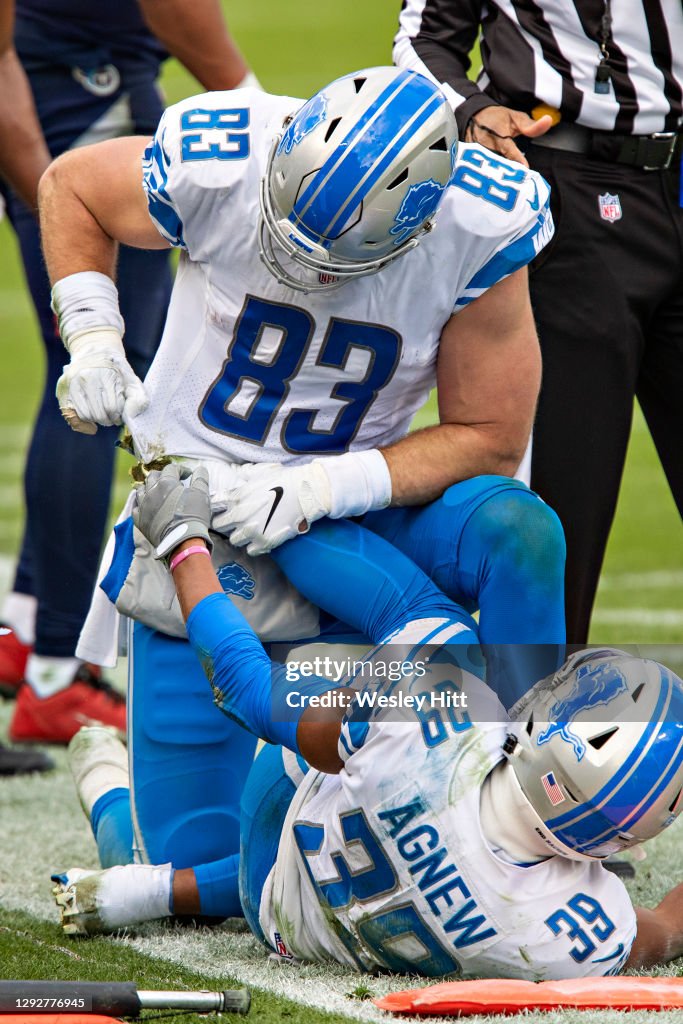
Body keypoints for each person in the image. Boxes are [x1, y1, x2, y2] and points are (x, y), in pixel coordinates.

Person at [37, 65, 565, 888]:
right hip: (200, 512)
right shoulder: (225, 158)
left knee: (516, 527)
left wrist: (322, 488)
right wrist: (93, 335)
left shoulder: (479, 225)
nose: (300, 269)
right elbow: (70, 184)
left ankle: (531, 796)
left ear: (420, 225)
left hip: (357, 517)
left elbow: (491, 438)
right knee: (199, 865)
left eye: (334, 261)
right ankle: (112, 792)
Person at [52, 464, 683, 979]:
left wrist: (183, 546)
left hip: (280, 841)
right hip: (294, 926)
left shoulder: (430, 715)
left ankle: (257, 501)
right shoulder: (586, 934)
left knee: (434, 632)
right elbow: (666, 930)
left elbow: (248, 689)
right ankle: (155, 886)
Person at [0, 0, 259, 745]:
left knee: (94, 368)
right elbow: (171, 7)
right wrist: (254, 106)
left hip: (68, 78)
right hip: (85, 91)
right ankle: (56, 671)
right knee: (100, 372)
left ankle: (25, 627)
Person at [393, 1, 683, 643]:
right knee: (558, 516)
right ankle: (529, 732)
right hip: (564, 190)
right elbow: (421, 42)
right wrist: (472, 111)